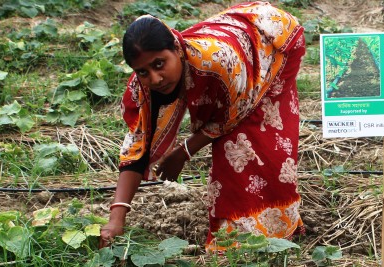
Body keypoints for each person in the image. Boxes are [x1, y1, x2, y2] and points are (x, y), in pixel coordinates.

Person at [99, 1, 306, 249]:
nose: (154, 78)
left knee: (251, 140)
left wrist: (183, 152)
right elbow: (137, 145)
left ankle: (273, 229)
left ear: (176, 48)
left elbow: (233, 115)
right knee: (235, 145)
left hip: (274, 40)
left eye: (159, 64)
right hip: (236, 51)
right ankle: (246, 231)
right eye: (143, 71)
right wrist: (116, 219)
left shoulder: (218, 62)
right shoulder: (144, 85)